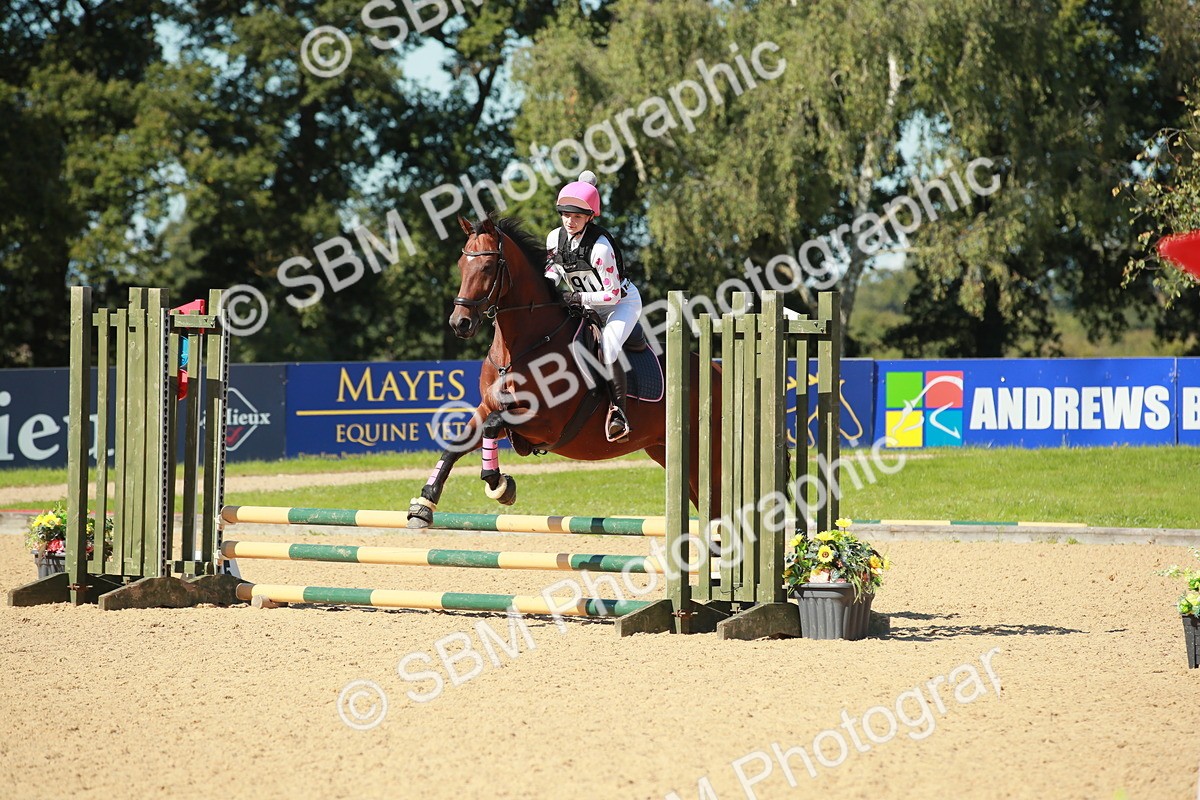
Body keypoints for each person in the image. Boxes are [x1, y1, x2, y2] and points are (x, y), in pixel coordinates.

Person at [544, 170, 642, 442]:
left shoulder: (600, 247)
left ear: (590, 217)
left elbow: (611, 295)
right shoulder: (554, 238)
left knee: (608, 346)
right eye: (565, 214)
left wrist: (576, 298)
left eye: (576, 216)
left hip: (620, 305)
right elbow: (553, 270)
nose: (569, 221)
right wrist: (546, 289)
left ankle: (619, 413)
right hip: (586, 305)